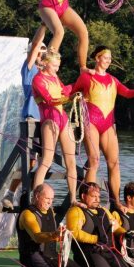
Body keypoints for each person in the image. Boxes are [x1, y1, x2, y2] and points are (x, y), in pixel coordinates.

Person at [72, 47, 134, 208]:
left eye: (110, 58)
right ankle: (89, 200)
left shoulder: (112, 80)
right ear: (97, 58)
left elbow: (127, 92)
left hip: (108, 124)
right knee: (94, 161)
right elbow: (71, 92)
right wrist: (76, 97)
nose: (109, 61)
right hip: (91, 122)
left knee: (114, 163)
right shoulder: (86, 77)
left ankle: (115, 202)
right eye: (106, 58)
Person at [1, 26, 47, 210]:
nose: (42, 57)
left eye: (44, 54)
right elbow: (35, 46)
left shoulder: (47, 73)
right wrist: (45, 24)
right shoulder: (29, 69)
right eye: (40, 54)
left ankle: (33, 196)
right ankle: (10, 193)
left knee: (42, 162)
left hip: (45, 120)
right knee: (28, 162)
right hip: (31, 118)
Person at [31, 50, 77, 199]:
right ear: (45, 63)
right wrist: (69, 98)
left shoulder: (55, 77)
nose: (57, 69)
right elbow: (50, 100)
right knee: (46, 160)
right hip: (49, 120)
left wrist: (79, 85)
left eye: (58, 66)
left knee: (71, 162)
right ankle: (36, 198)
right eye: (54, 66)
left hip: (63, 119)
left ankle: (73, 199)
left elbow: (64, 91)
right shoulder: (38, 80)